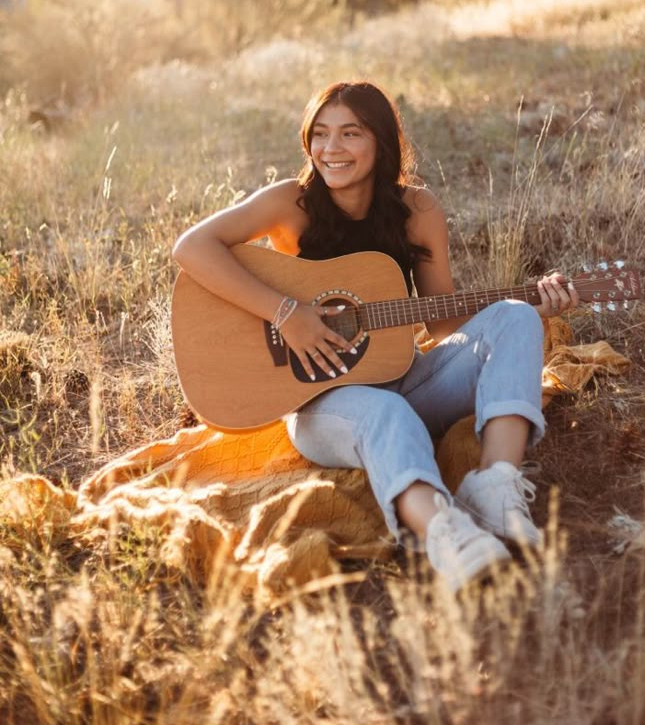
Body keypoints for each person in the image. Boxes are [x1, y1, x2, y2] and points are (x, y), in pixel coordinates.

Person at [172, 81, 578, 591]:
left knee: (514, 316)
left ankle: (493, 486)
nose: (330, 149)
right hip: (321, 405)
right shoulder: (289, 204)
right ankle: (445, 534)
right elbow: (192, 248)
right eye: (319, 134)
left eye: (349, 134)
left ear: (381, 142)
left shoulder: (419, 211)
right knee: (388, 414)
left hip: (404, 376)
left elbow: (444, 326)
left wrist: (529, 310)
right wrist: (286, 312)